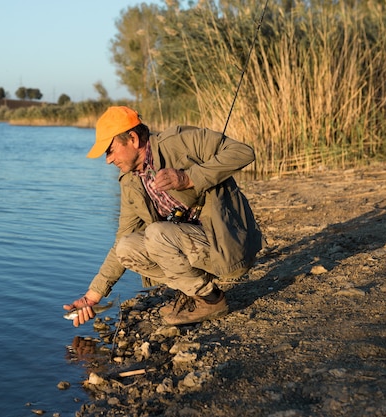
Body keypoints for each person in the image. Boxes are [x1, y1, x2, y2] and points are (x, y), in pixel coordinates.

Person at [63, 106, 264, 327]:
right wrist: (93, 295)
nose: (108, 160)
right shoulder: (130, 180)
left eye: (110, 150)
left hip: (230, 246)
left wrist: (189, 178)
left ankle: (212, 302)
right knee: (126, 248)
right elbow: (124, 237)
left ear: (132, 139)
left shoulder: (179, 142)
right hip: (196, 248)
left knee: (156, 233)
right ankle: (197, 292)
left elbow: (244, 152)